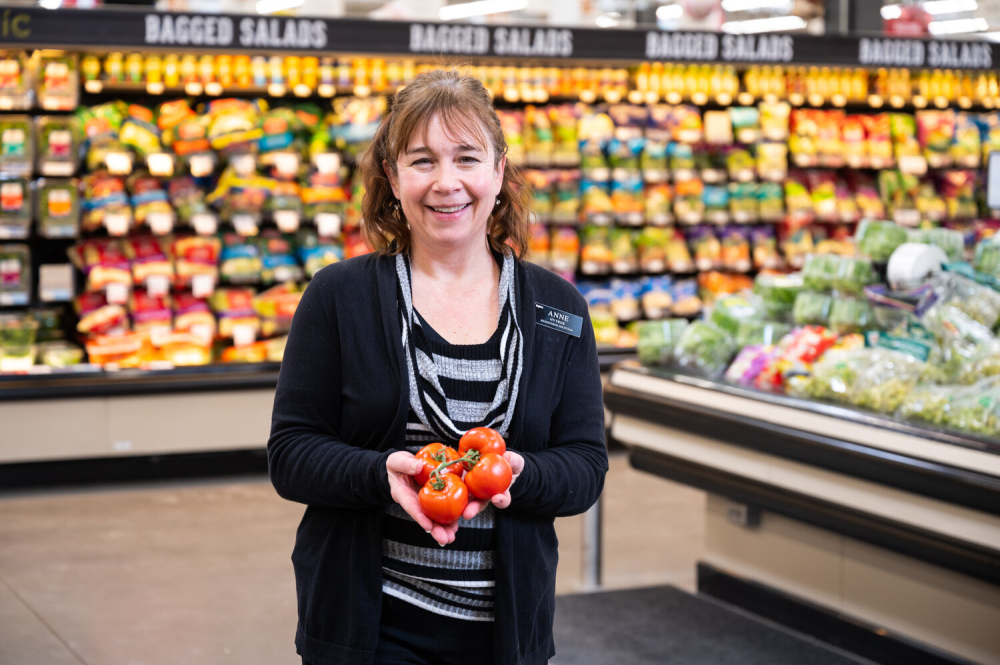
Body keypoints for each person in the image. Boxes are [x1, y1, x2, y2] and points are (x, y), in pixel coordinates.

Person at [268, 69, 608, 665]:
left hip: (506, 634)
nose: (446, 183)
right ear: (393, 179)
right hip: (368, 627)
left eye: (467, 158)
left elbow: (584, 465)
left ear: (499, 172)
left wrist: (514, 474)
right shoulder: (338, 297)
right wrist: (380, 475)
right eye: (421, 161)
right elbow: (291, 454)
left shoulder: (559, 308)